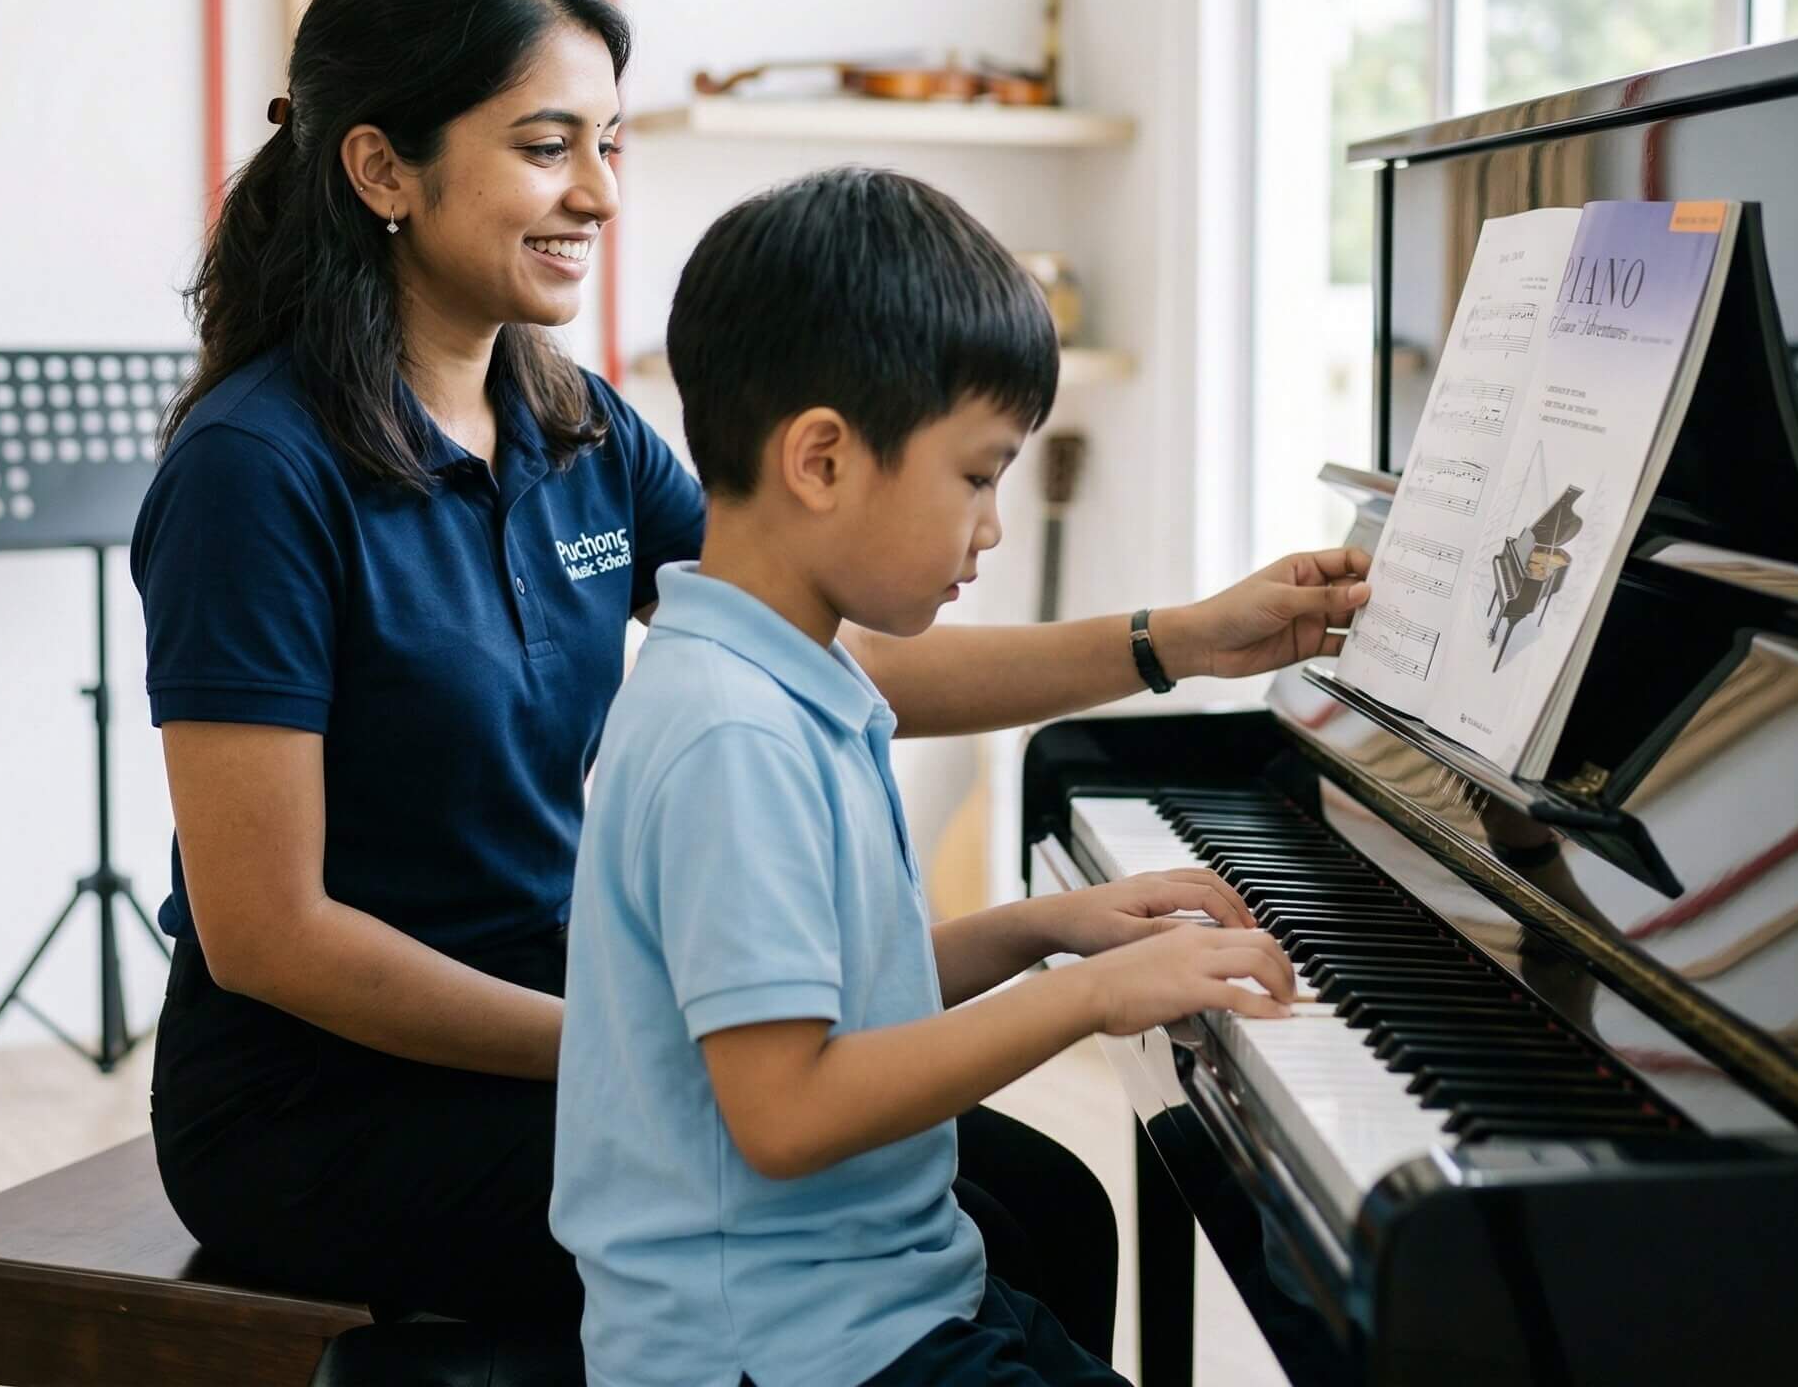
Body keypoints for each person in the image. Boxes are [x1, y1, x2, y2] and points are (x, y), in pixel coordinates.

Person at [131, 0, 1368, 1343]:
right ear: (381, 168)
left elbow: (827, 651)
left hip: (573, 1008)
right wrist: (633, 1051)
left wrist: (1181, 642)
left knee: (1047, 1208)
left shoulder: (575, 423)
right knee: (982, 1224)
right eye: (547, 146)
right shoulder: (254, 471)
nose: (596, 192)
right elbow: (273, 938)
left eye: (608, 145)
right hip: (329, 1104)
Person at [552, 167, 1349, 1386]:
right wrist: (1088, 997)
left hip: (873, 1303)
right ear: (820, 459)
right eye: (976, 476)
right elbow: (787, 1108)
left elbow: (828, 1004)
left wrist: (1043, 928)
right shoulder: (733, 736)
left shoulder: (780, 680)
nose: (989, 526)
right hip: (780, 1354)